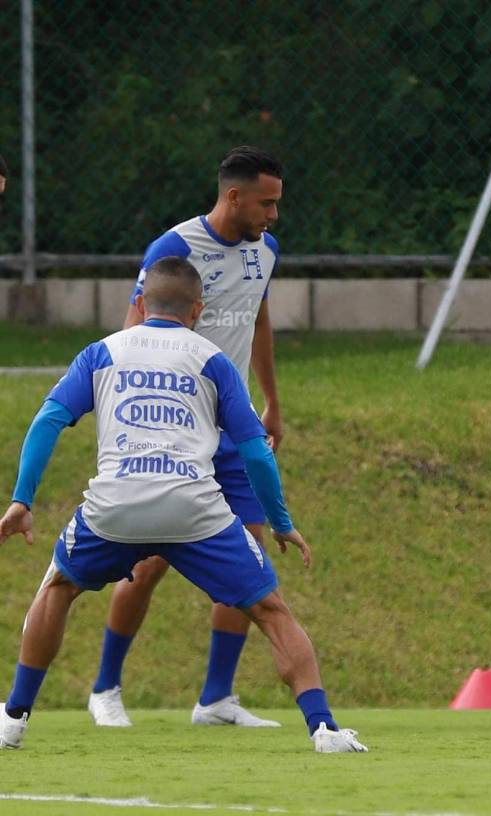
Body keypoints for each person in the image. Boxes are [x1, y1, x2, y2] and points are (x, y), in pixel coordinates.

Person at [0, 258, 366, 753]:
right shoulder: (212, 359)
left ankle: (13, 719)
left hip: (115, 507)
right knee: (271, 611)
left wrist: (22, 500)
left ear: (139, 303)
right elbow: (256, 449)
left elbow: (47, 422)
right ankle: (323, 729)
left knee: (59, 586)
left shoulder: (101, 352)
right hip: (194, 510)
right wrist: (280, 522)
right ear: (197, 309)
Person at [87, 146, 286, 729]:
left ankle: (216, 699)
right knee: (147, 561)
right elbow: (132, 334)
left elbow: (259, 321)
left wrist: (271, 401)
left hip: (235, 428)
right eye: (266, 203)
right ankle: (105, 688)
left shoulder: (265, 251)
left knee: (245, 558)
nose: (273, 215)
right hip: (172, 429)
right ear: (234, 197)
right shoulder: (172, 249)